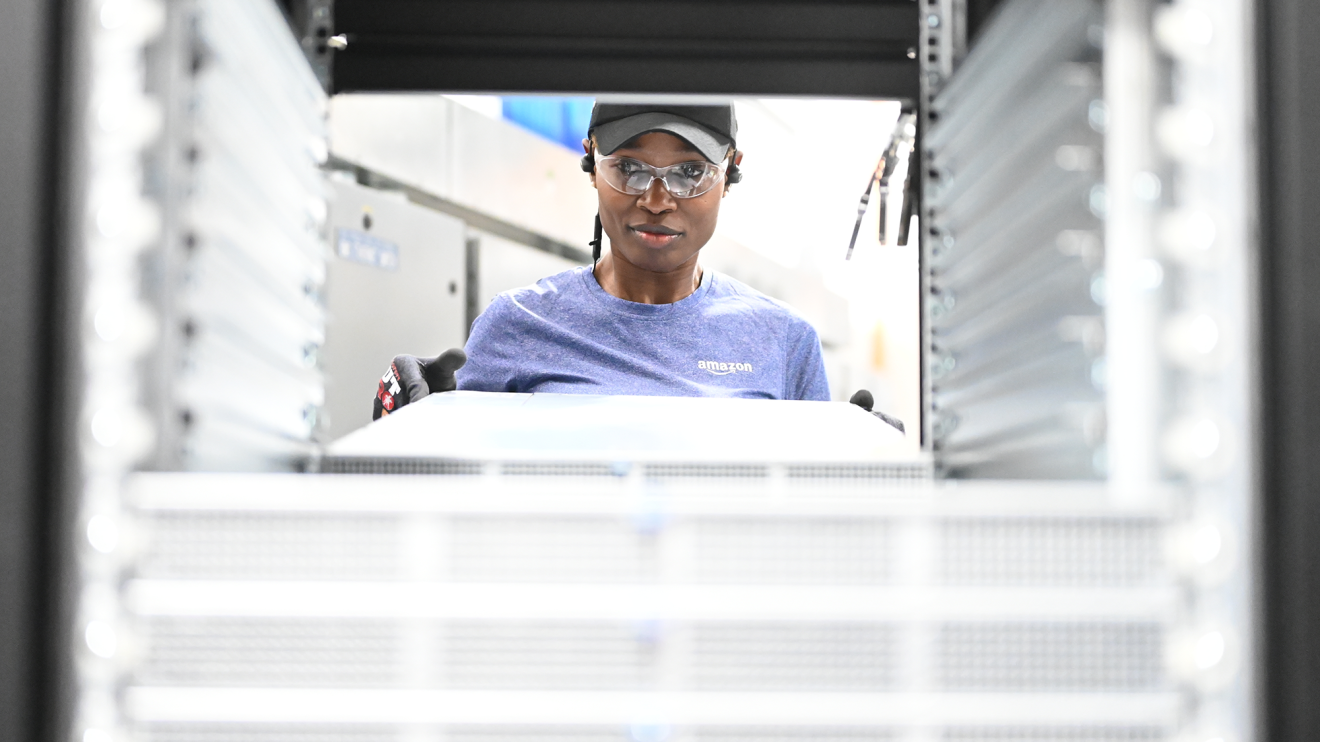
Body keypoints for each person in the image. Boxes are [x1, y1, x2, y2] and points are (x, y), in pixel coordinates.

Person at [373, 102, 830, 419]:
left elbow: (821, 530)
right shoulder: (517, 324)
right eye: (629, 168)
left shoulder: (784, 343)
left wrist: (866, 465)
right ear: (592, 162)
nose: (656, 200)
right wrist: (408, 431)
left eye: (690, 172)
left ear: (730, 172)